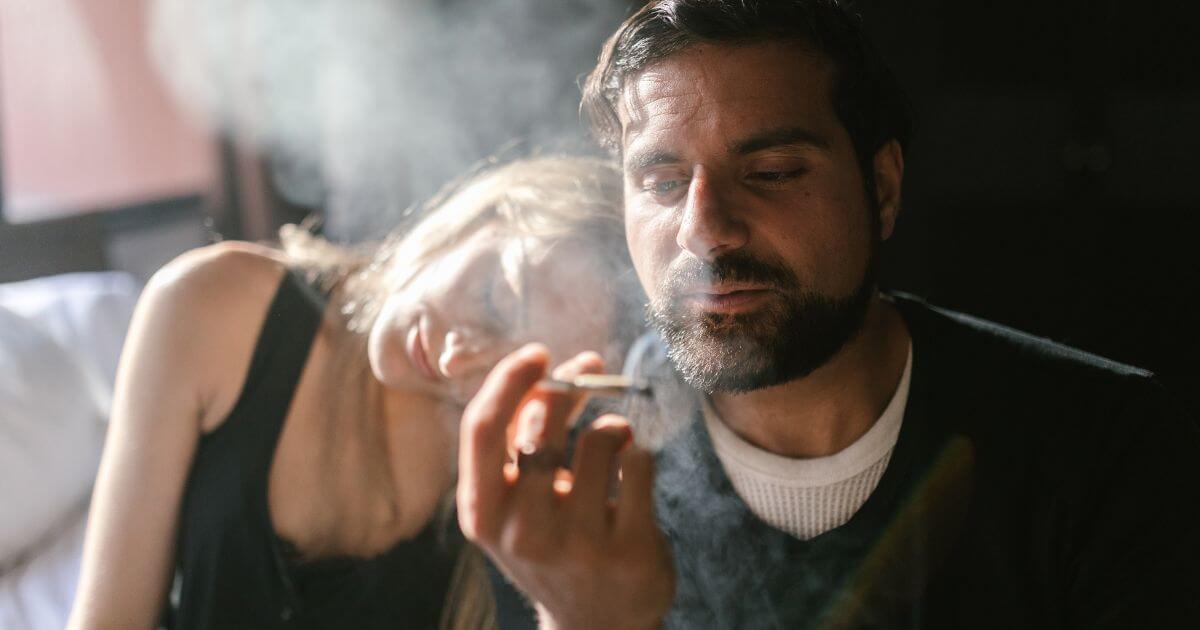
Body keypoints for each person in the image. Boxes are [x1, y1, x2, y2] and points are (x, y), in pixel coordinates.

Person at [456, 2, 1200, 629]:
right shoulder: (569, 474)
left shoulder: (1100, 443)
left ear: (881, 188)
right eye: (661, 181)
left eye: (772, 173)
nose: (705, 228)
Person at [67, 155, 642, 630]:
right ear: (486, 216)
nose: (454, 359)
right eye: (495, 296)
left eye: (514, 372)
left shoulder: (521, 503)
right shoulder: (212, 308)